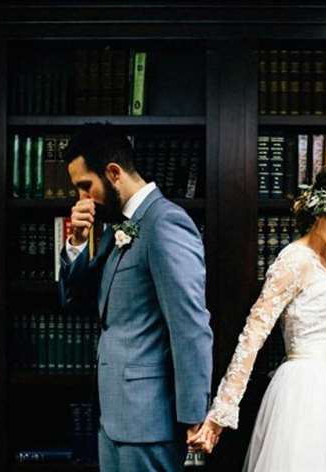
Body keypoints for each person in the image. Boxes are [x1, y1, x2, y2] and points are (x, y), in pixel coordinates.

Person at [189, 163, 326, 471]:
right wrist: (221, 413)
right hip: (306, 393)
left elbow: (322, 314)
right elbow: (252, 336)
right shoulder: (294, 260)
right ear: (320, 213)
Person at [58, 123, 213, 472]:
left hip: (149, 422)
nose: (83, 199)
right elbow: (76, 300)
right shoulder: (118, 229)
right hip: (115, 417)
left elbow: (190, 324)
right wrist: (79, 241)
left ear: (113, 173)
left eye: (86, 187)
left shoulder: (165, 223)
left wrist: (194, 414)